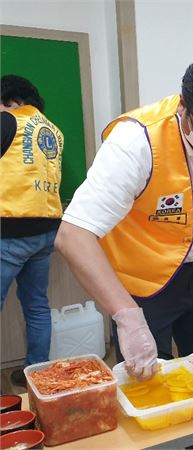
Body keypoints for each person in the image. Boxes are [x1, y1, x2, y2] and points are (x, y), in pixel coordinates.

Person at [55, 52, 193, 383]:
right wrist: (127, 317)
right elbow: (73, 235)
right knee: (150, 384)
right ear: (184, 106)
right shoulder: (136, 141)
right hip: (140, 284)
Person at [0, 75, 64, 386]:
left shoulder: (7, 121)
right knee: (37, 305)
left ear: (9, 99)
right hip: (46, 230)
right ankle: (36, 375)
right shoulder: (53, 130)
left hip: (9, 230)